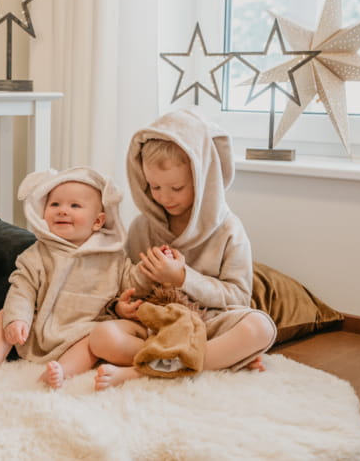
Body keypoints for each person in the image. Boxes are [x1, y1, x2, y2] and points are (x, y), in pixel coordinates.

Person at [89, 108, 277, 390]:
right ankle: (215, 360)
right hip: (157, 324)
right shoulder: (143, 226)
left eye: (176, 188)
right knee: (101, 337)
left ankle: (143, 371)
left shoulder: (229, 230)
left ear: (203, 180)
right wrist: (122, 305)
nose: (165, 197)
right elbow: (124, 283)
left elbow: (238, 297)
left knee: (260, 328)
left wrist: (182, 278)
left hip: (209, 324)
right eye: (155, 187)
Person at [0, 167, 154, 388]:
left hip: (84, 328)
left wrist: (148, 270)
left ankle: (63, 370)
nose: (62, 211)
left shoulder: (112, 256)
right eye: (55, 204)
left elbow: (131, 282)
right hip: (42, 326)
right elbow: (22, 289)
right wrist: (18, 318)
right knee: (6, 313)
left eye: (75, 206)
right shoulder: (38, 254)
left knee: (90, 342)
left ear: (98, 221)